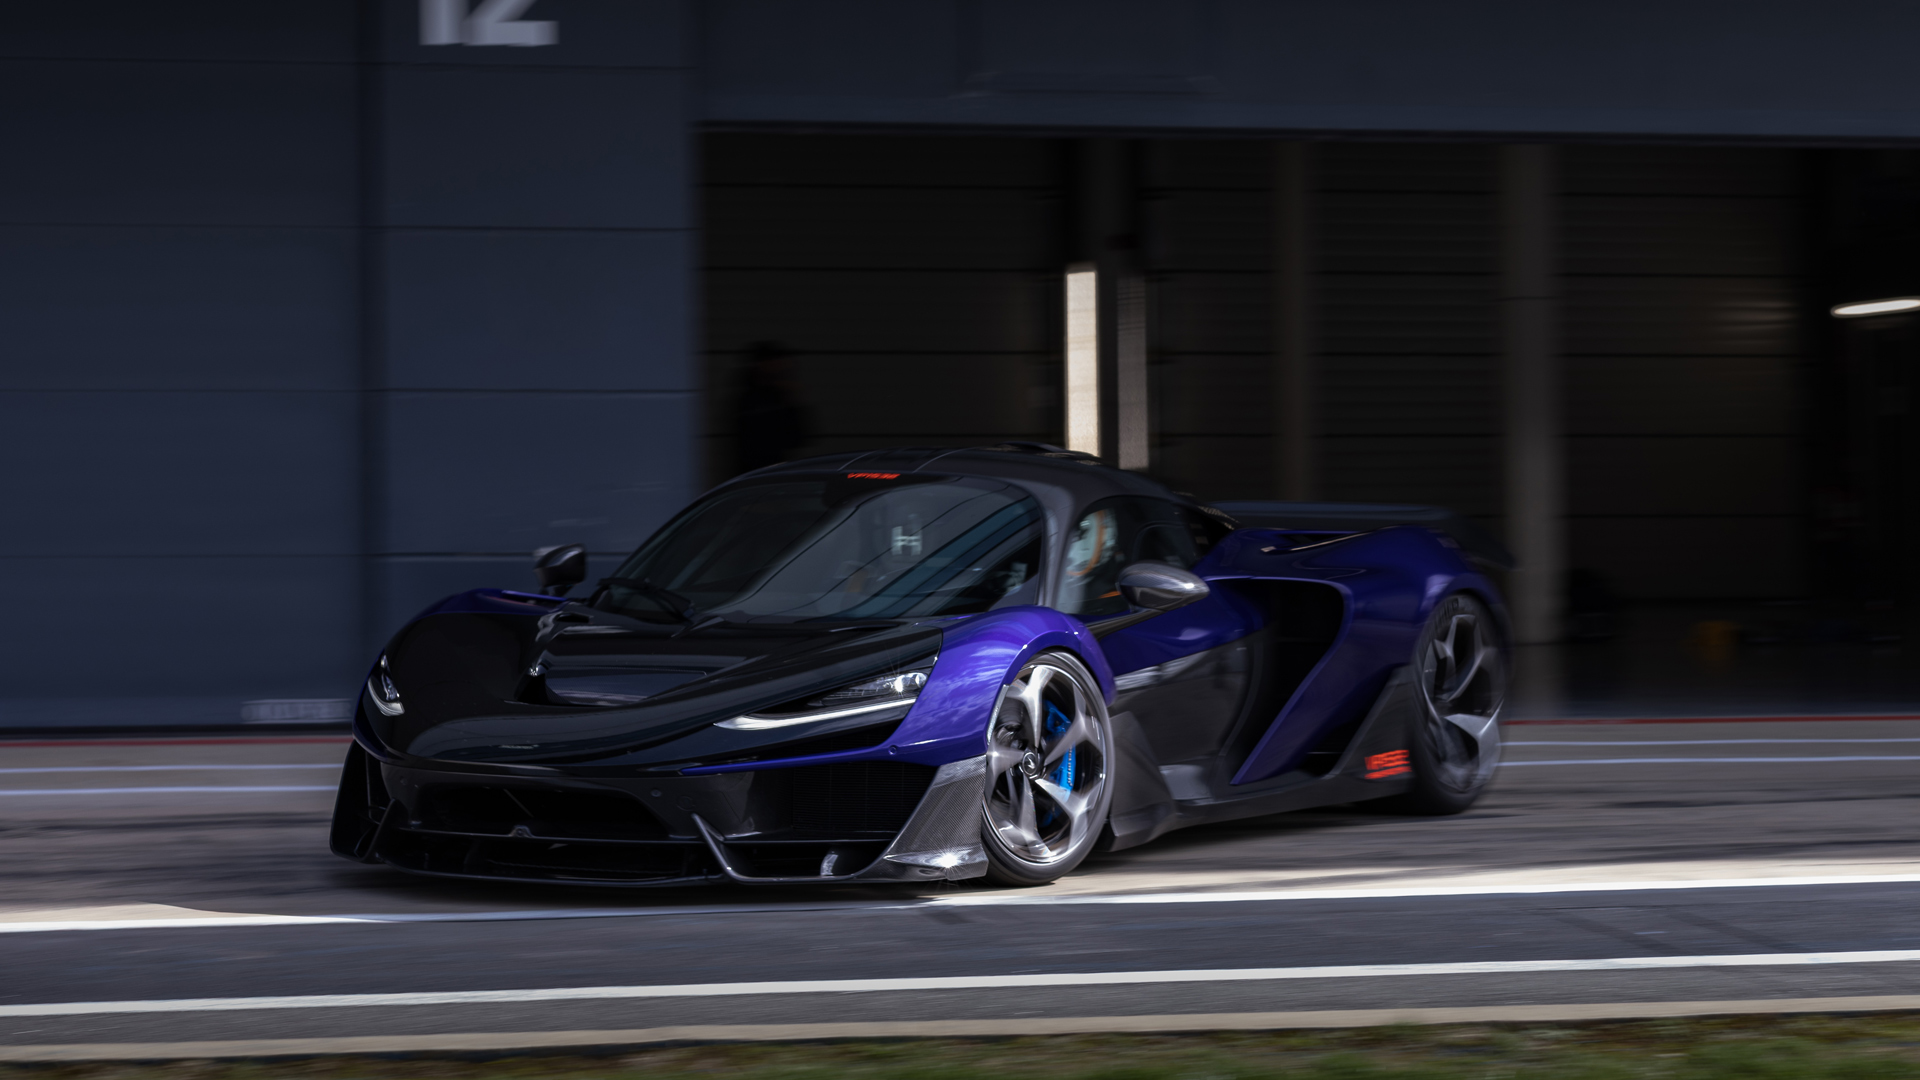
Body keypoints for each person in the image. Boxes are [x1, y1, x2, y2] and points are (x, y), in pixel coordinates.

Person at [732, 341, 808, 475]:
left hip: (771, 471)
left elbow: (798, 437)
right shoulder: (753, 398)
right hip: (759, 473)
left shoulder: (776, 395)